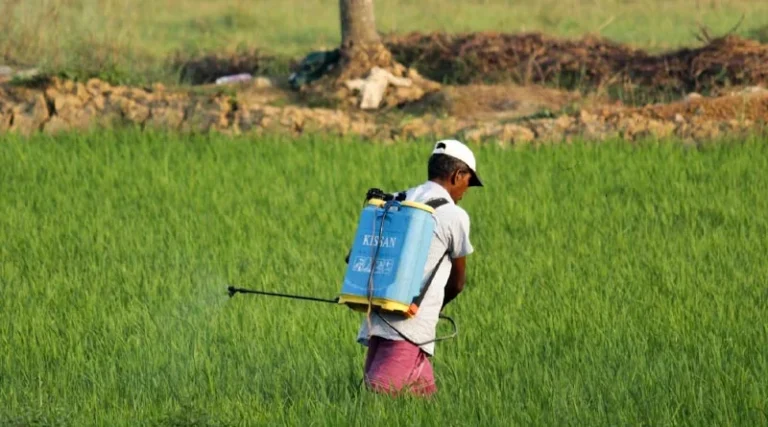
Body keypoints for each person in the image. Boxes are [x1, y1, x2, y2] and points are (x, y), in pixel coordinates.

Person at [356, 139, 483, 397]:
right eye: (468, 182)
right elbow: (458, 283)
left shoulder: (398, 199)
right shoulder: (453, 215)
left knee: (421, 402)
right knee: (379, 398)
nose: (466, 190)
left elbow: (358, 254)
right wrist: (434, 310)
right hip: (410, 327)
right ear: (457, 175)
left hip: (379, 316)